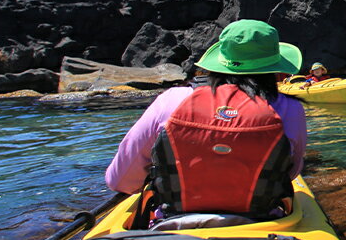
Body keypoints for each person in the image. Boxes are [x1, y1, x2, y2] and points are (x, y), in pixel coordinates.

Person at [105, 19, 307, 218]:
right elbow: (292, 172)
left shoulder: (171, 100)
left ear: (218, 62)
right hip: (263, 220)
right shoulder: (291, 109)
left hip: (173, 219)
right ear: (275, 68)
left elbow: (120, 180)